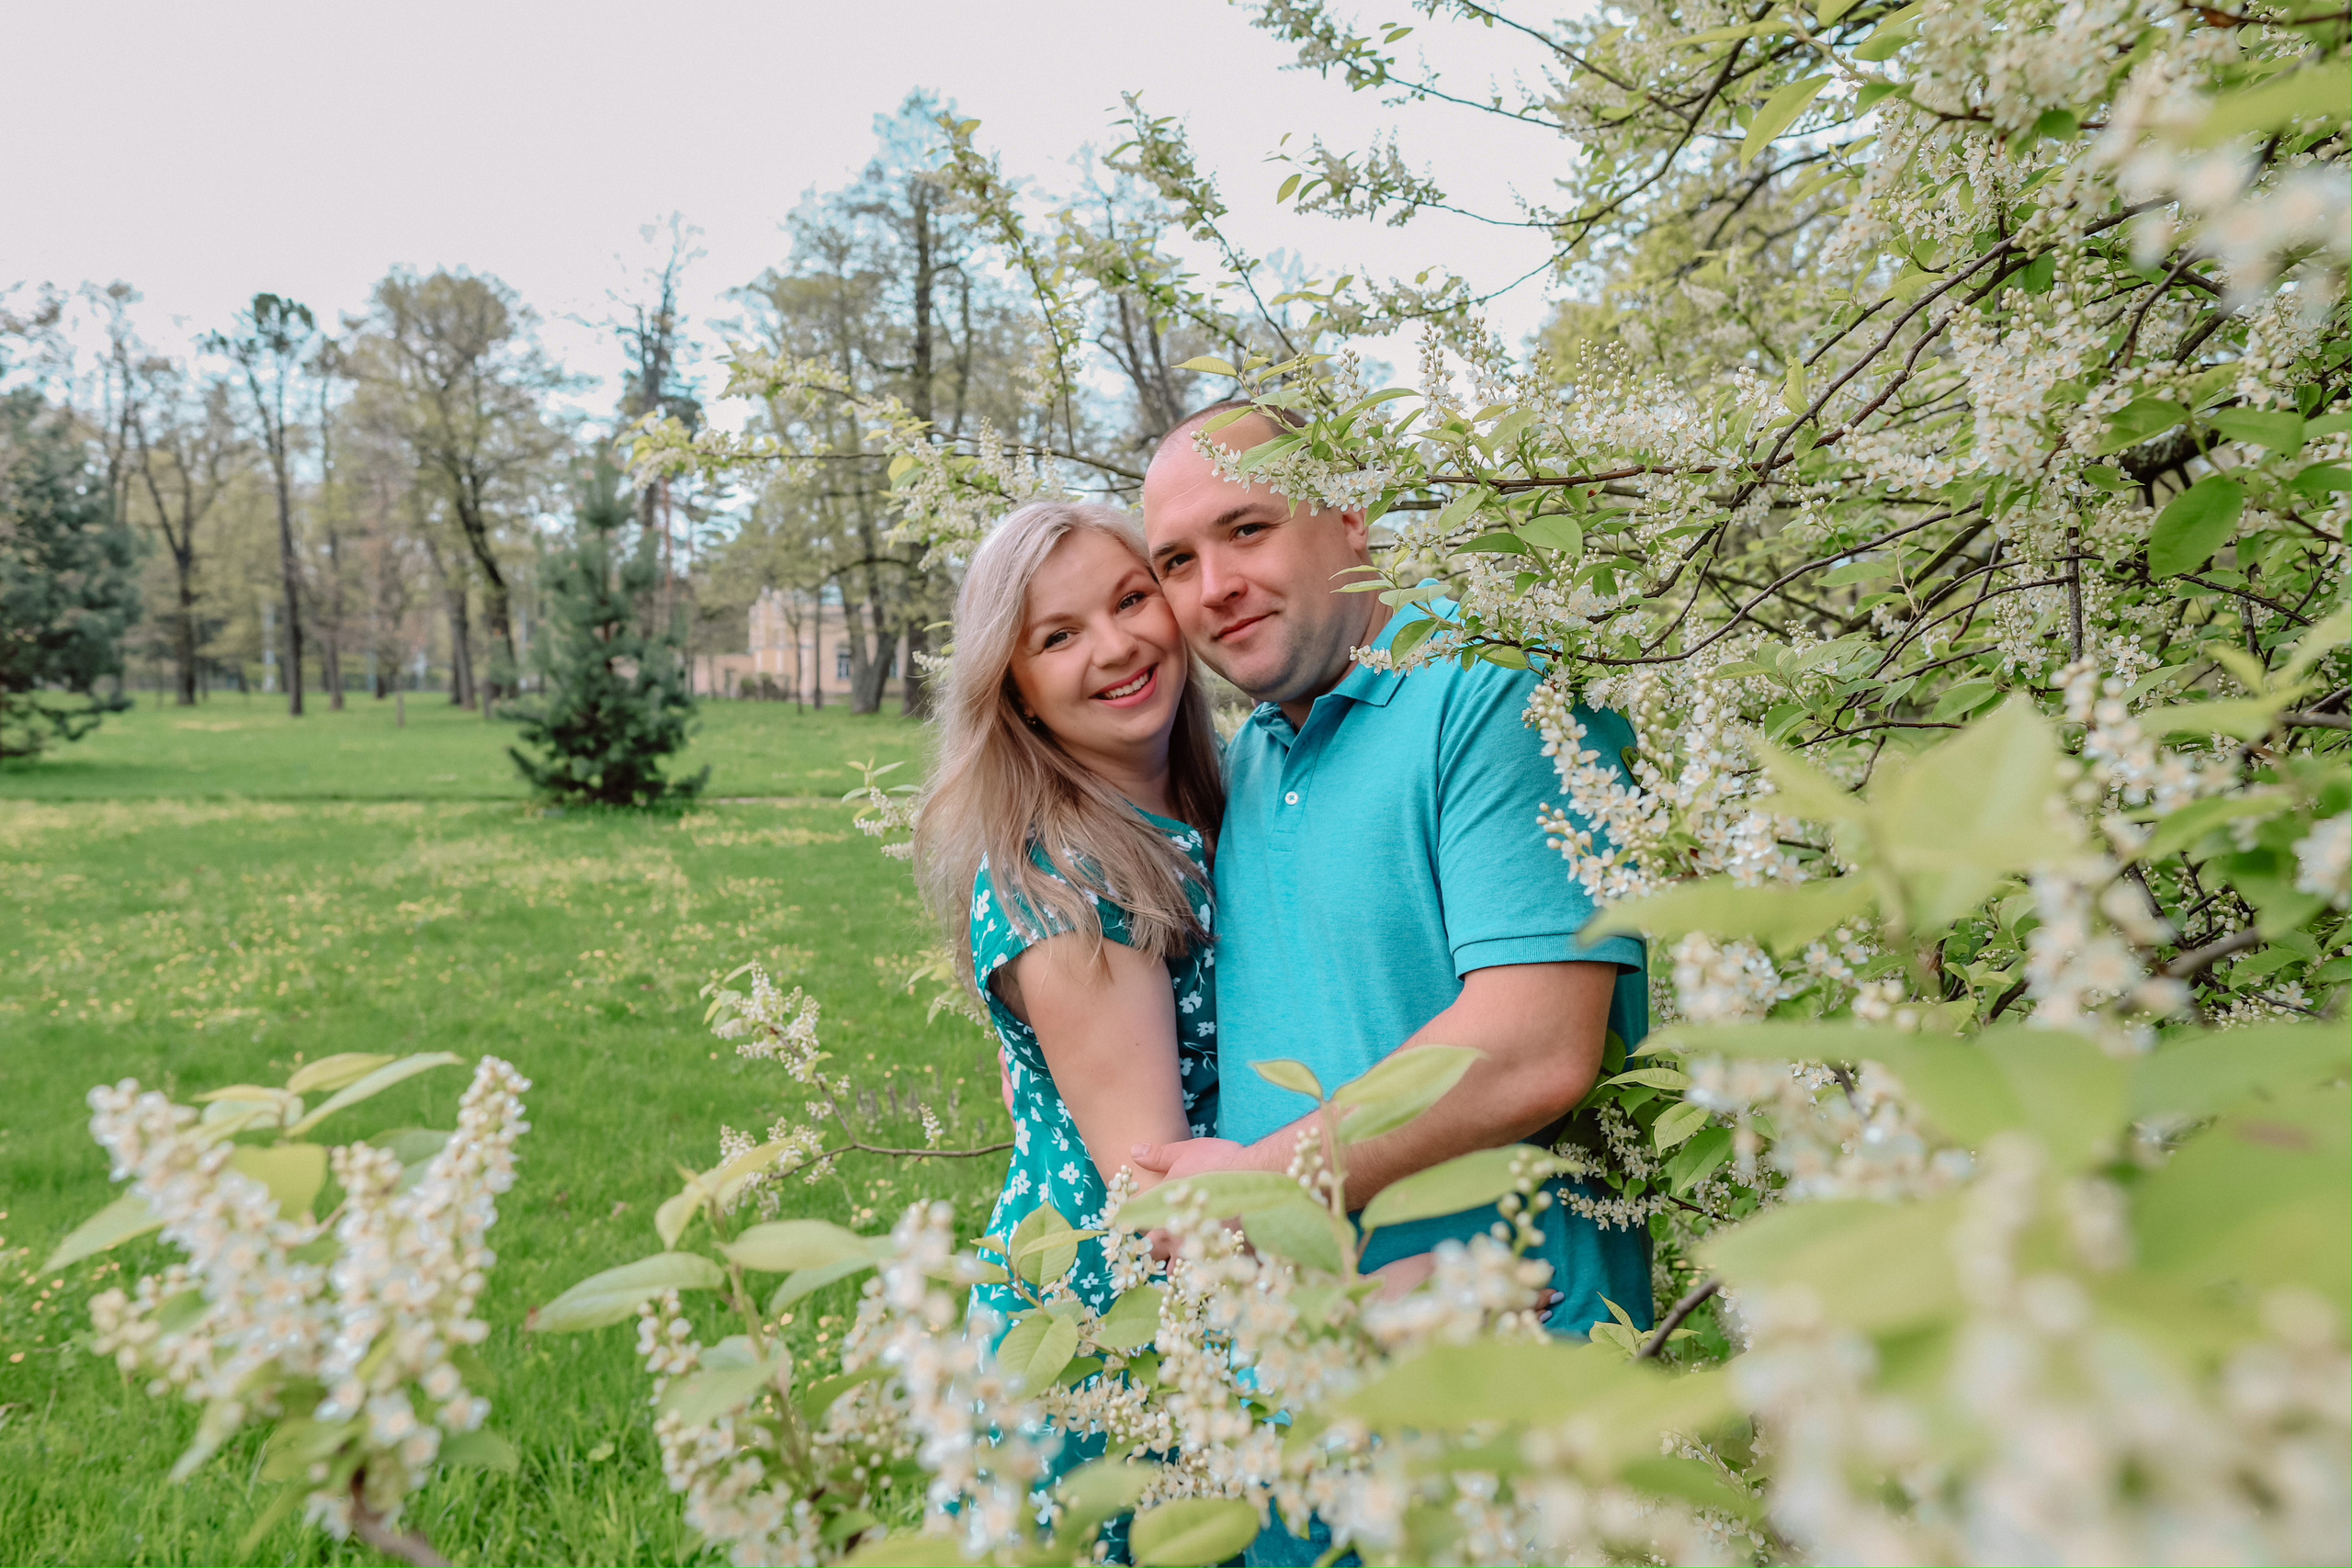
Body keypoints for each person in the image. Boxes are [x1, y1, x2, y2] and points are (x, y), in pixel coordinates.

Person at [1134, 400, 1654, 1338]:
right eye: (1175, 562)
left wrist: (1262, 1192)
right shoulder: (1253, 754)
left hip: (1504, 1362)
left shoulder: (1497, 684)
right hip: (1303, 1373)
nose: (1213, 586)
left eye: (1247, 529)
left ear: (1350, 518)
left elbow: (1535, 1046)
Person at [911, 500, 1222, 1341]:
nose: (1117, 646)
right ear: (1016, 693)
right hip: (1119, 1336)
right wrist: (1401, 1294)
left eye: (1130, 599)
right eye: (1058, 637)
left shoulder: (1219, 794)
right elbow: (1159, 1201)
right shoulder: (1070, 890)